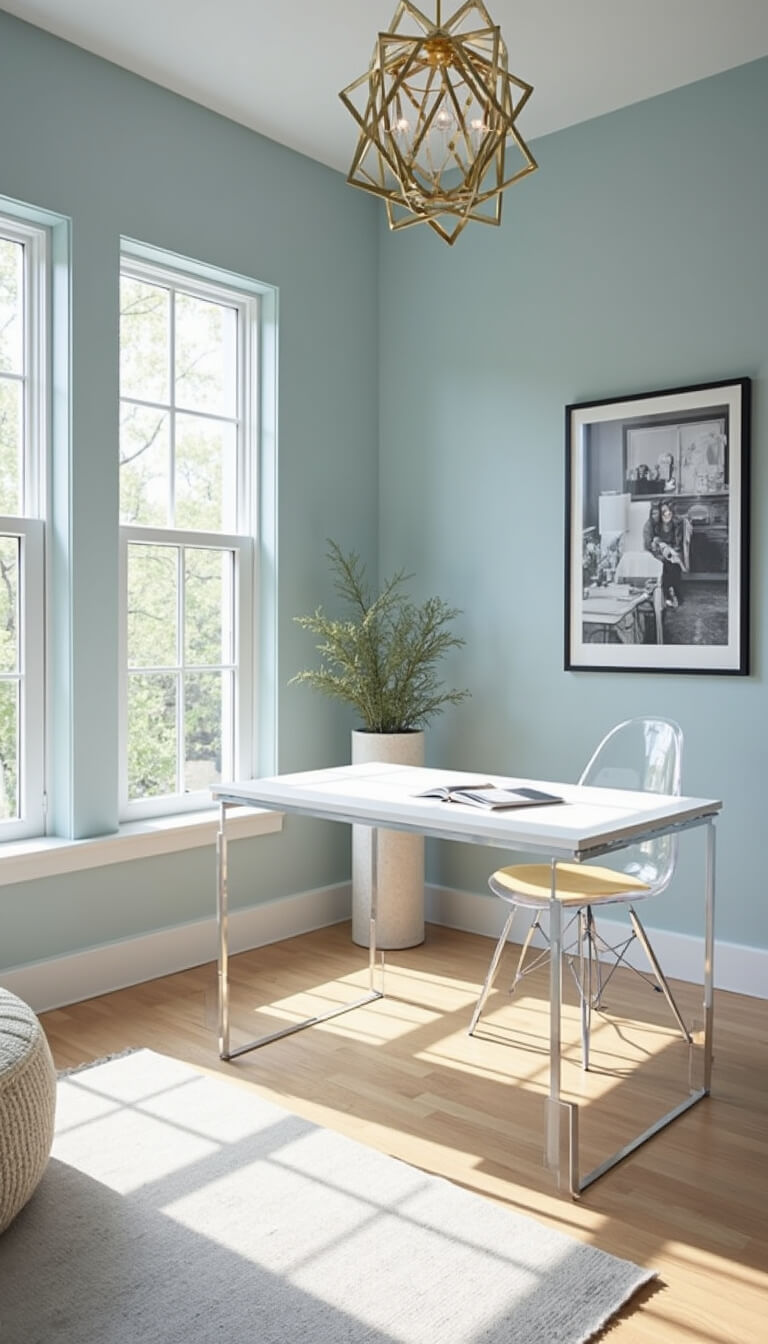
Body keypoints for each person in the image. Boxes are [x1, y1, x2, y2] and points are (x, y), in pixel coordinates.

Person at [646, 500, 686, 607]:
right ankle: (671, 595)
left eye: (668, 511)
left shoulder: (676, 524)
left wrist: (671, 551)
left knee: (673, 564)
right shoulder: (654, 525)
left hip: (672, 552)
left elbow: (678, 544)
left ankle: (672, 595)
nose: (667, 514)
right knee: (667, 565)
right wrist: (660, 551)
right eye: (663, 512)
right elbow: (650, 544)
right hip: (659, 553)